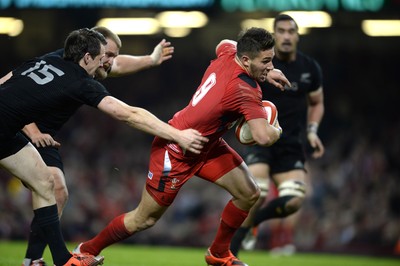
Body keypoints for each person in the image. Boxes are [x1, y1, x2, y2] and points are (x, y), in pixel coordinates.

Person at [71, 27, 291, 266]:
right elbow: (263, 137)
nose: (271, 66)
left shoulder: (229, 53)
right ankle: (86, 250)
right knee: (144, 219)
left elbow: (223, 40)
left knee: (249, 193)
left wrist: (264, 72)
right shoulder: (244, 90)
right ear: (246, 59)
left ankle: (218, 254)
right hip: (175, 149)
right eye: (266, 61)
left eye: (272, 60)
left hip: (206, 145)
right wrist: (276, 127)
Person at [0, 28, 207, 266]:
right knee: (48, 184)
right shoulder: (80, 82)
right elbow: (127, 114)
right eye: (103, 58)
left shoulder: (50, 59)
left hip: (8, 132)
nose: (106, 64)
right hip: (13, 128)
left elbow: (7, 82)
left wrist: (151, 59)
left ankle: (57, 260)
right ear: (88, 57)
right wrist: (177, 135)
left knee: (47, 183)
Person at [230, 14, 325, 256]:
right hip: (261, 138)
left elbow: (317, 102)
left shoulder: (309, 68)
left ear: (297, 36)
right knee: (256, 191)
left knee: (294, 200)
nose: (285, 36)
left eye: (290, 31)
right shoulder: (258, 63)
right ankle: (230, 253)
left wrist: (313, 131)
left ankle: (254, 224)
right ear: (273, 36)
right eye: (280, 31)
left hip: (290, 142)